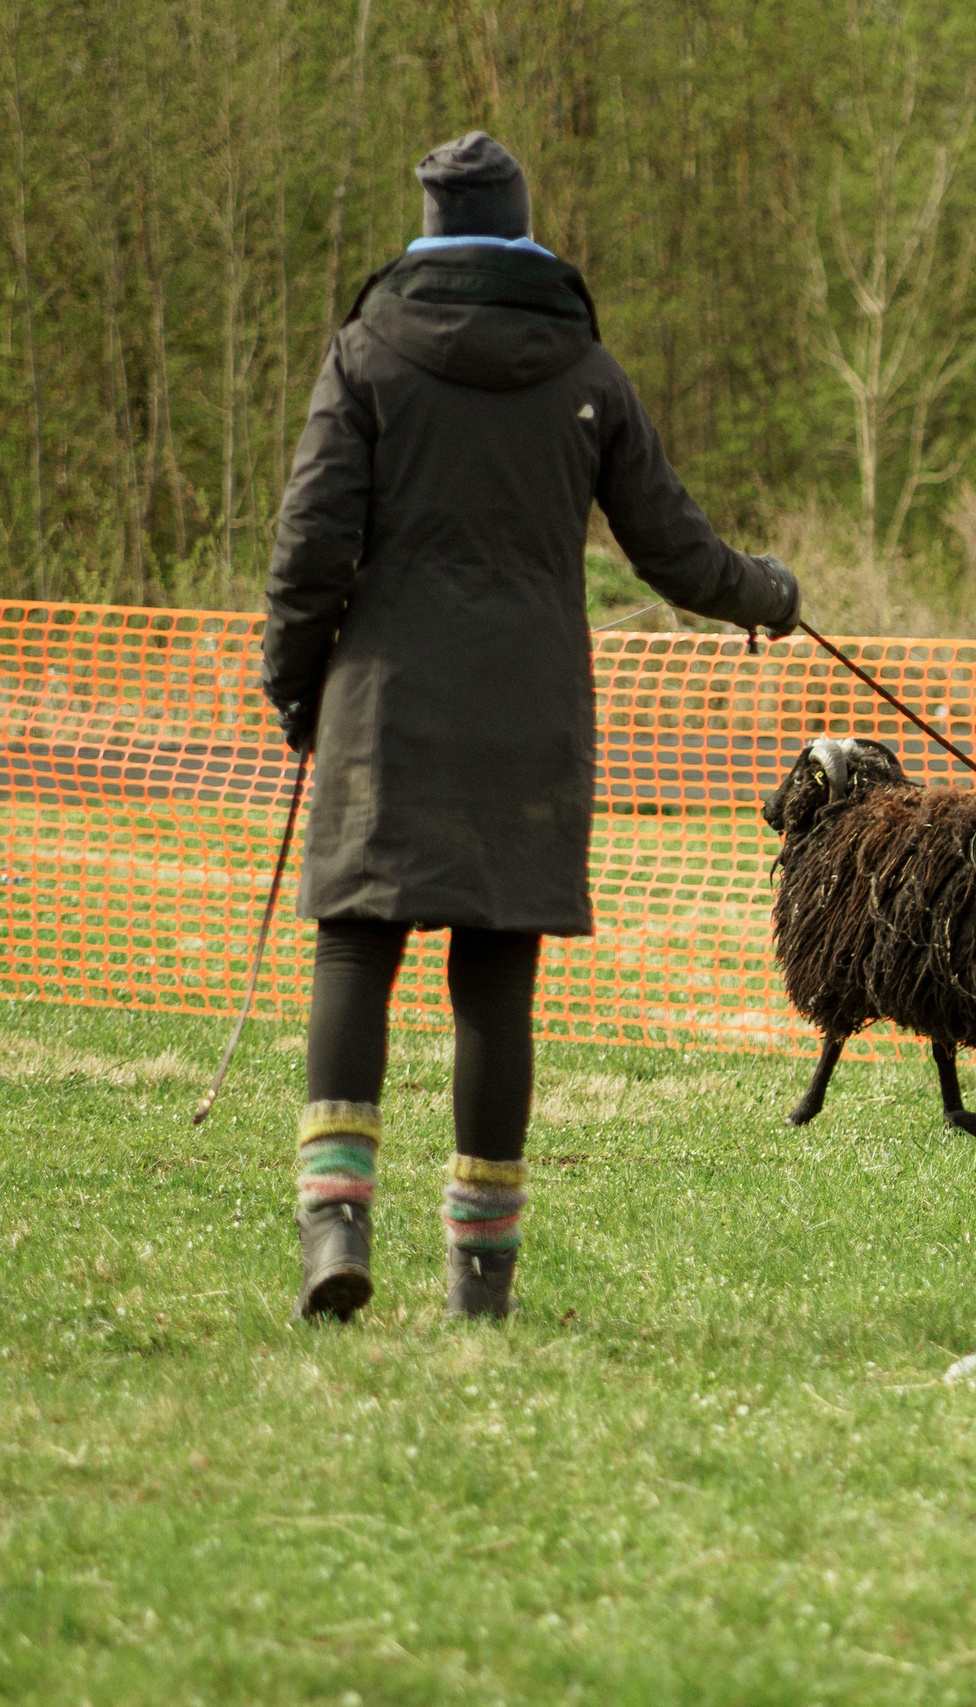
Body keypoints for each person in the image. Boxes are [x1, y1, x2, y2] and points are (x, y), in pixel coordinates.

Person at [262, 131, 799, 1323]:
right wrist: (769, 595)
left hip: (382, 707)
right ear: (520, 229)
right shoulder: (586, 374)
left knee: (356, 948)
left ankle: (334, 1232)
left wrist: (297, 689)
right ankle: (479, 1278)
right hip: (530, 721)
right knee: (495, 984)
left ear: (428, 229)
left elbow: (308, 553)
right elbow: (674, 550)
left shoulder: (365, 357)